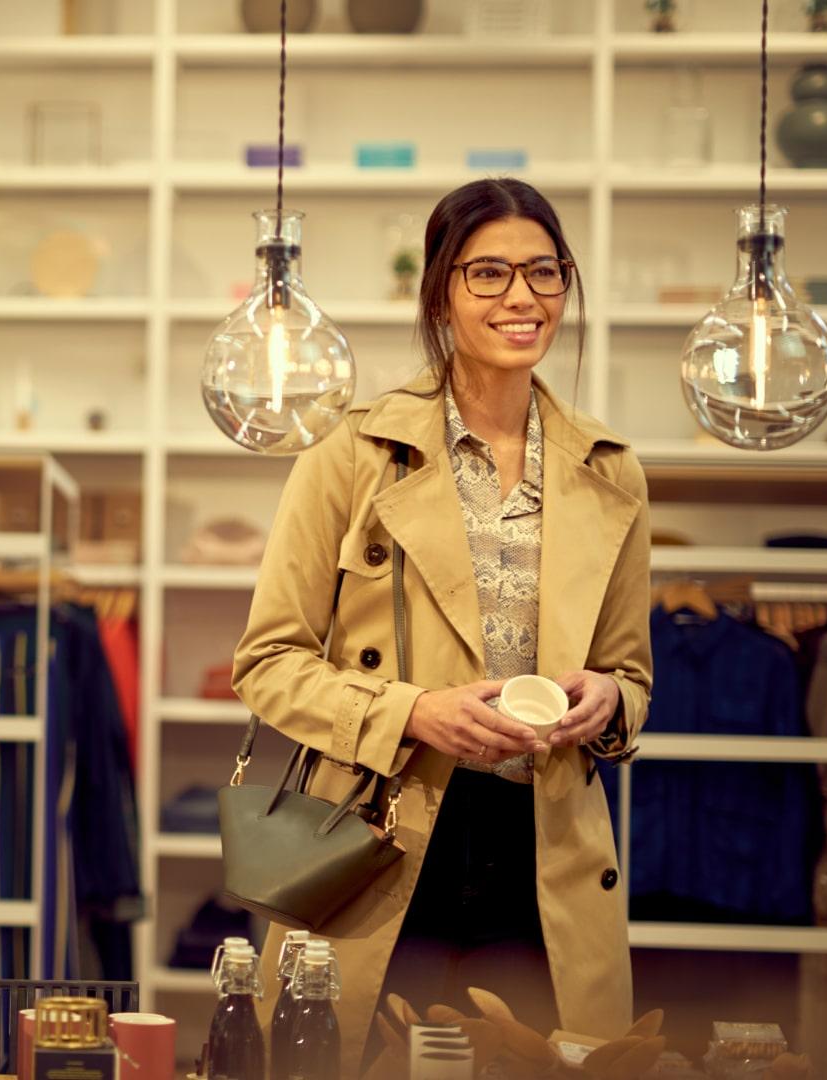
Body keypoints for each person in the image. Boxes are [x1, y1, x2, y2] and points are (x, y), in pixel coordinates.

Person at [231, 178, 651, 1072]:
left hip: (545, 848)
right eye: (489, 273)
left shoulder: (610, 472)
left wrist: (608, 698)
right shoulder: (354, 453)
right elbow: (267, 662)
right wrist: (413, 713)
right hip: (382, 834)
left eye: (544, 272)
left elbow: (631, 673)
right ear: (441, 291)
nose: (521, 297)